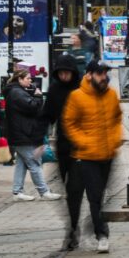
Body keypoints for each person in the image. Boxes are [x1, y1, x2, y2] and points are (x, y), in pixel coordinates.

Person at [63, 60, 123, 253]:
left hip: (108, 154)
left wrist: (115, 139)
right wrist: (84, 142)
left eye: (105, 73)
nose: (104, 77)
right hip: (87, 156)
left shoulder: (112, 94)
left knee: (101, 195)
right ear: (88, 75)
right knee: (95, 196)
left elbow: (117, 118)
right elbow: (69, 123)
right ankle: (102, 234)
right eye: (99, 73)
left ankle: (97, 227)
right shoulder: (77, 96)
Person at [3, 70, 61, 201]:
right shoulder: (17, 93)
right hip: (23, 134)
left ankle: (17, 192)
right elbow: (33, 107)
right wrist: (38, 97)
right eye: (28, 78)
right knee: (35, 163)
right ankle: (44, 192)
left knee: (22, 164)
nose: (30, 81)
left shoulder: (16, 92)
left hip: (20, 134)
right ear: (19, 79)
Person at [46, 54, 82, 184]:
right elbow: (48, 113)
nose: (64, 76)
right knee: (64, 169)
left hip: (81, 137)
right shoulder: (54, 88)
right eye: (61, 73)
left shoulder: (81, 88)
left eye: (66, 73)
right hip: (62, 137)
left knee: (77, 175)